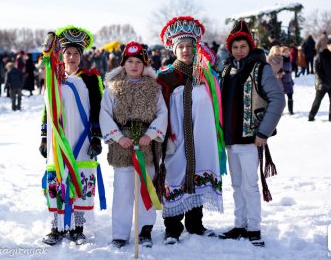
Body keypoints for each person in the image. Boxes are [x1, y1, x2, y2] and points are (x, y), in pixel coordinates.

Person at [157, 16, 225, 245]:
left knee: (198, 175)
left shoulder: (206, 75)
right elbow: (158, 110)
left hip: (201, 139)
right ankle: (172, 229)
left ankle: (195, 224)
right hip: (175, 140)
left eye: (189, 46)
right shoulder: (165, 77)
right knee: (175, 176)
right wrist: (164, 138)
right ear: (174, 50)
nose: (186, 50)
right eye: (181, 46)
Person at [219, 20, 285, 247]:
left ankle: (254, 227)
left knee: (249, 185)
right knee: (236, 185)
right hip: (230, 138)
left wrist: (264, 131)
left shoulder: (261, 68)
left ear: (250, 46)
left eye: (243, 46)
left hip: (250, 138)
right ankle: (239, 224)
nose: (239, 50)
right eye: (235, 47)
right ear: (230, 49)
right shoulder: (226, 69)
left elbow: (277, 100)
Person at [100, 41, 168, 248]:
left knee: (145, 188)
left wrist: (152, 133)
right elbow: (105, 113)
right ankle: (120, 233)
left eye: (138, 61)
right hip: (122, 144)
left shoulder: (153, 88)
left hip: (146, 144)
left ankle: (144, 229)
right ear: (123, 64)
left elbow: (162, 113)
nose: (134, 65)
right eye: (130, 61)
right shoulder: (113, 87)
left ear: (144, 64)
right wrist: (118, 137)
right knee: (122, 190)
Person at [40, 26, 104, 245]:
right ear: (62, 55)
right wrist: (44, 138)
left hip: (83, 138)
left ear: (81, 56)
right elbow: (47, 109)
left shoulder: (91, 80)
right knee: (58, 180)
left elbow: (97, 109)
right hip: (59, 141)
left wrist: (96, 137)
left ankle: (78, 226)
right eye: (68, 53)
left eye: (77, 53)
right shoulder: (53, 78)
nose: (72, 57)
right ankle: (56, 227)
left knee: (81, 181)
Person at [308, 39, 331, 122]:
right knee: (317, 101)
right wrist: (322, 80)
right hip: (322, 84)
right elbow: (316, 69)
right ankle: (311, 116)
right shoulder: (321, 55)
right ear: (328, 46)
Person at [281, 46, 295, 114]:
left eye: (288, 51)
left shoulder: (289, 58)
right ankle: (281, 110)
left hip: (289, 79)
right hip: (282, 80)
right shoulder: (280, 59)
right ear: (282, 52)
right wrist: (281, 72)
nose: (287, 53)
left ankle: (291, 110)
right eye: (285, 52)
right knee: (282, 97)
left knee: (290, 95)